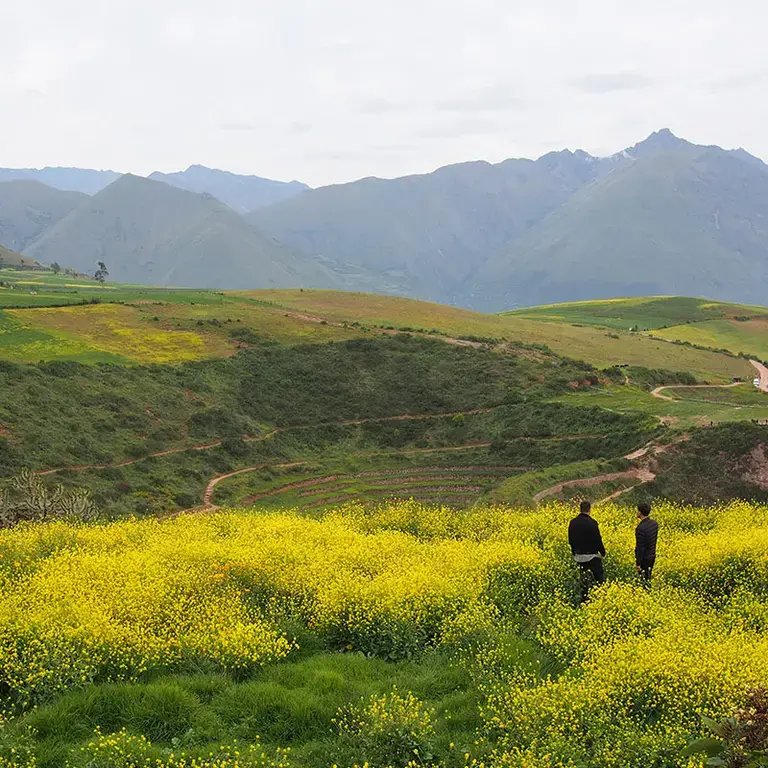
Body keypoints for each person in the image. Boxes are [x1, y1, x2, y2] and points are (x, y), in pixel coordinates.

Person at [568, 500, 606, 602]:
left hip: (579, 557)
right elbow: (598, 539)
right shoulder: (593, 523)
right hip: (592, 556)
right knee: (600, 578)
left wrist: (574, 552)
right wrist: (603, 552)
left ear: (580, 509)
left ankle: (584, 599)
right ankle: (602, 598)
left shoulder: (573, 522)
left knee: (583, 579)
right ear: (589, 510)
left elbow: (570, 539)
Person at [635, 502, 658, 587]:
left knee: (643, 580)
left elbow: (640, 547)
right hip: (652, 555)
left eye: (637, 511)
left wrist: (638, 563)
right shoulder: (654, 524)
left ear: (640, 512)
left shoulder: (640, 528)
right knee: (648, 576)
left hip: (644, 558)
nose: (636, 512)